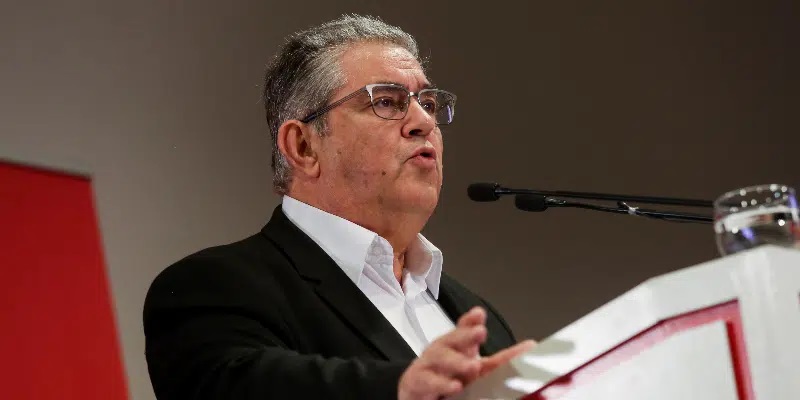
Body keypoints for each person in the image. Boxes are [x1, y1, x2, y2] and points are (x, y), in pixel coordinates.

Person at [143, 14, 534, 400]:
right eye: (386, 102)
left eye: (428, 104)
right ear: (303, 147)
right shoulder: (216, 286)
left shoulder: (477, 316)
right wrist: (400, 389)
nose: (423, 122)